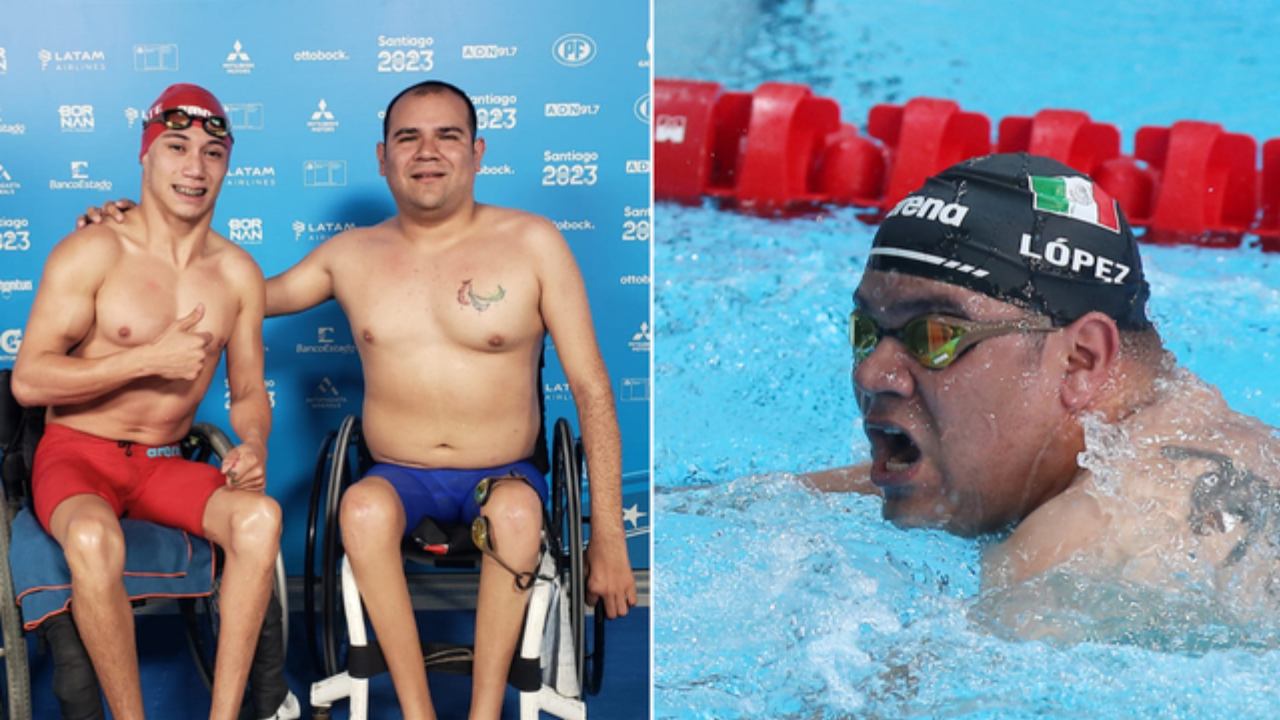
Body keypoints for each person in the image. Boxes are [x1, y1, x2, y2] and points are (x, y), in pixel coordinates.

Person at [268, 80, 636, 718]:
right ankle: (418, 711)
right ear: (383, 157)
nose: (427, 151)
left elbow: (593, 389)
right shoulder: (349, 255)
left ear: (477, 151)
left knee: (519, 517)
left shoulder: (533, 243)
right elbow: (244, 297)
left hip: (504, 476)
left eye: (447, 136)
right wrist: (142, 237)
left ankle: (483, 712)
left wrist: (609, 537)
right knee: (358, 511)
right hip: (397, 475)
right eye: (408, 137)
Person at [809, 153, 1280, 622]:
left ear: (1081, 360)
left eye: (935, 337)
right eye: (866, 332)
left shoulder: (1076, 555)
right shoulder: (1195, 429)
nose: (872, 375)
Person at [11, 83, 282, 719]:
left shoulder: (238, 273)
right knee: (95, 540)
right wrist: (144, 359)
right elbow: (29, 380)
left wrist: (255, 444)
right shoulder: (94, 249)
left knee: (260, 519)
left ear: (228, 164)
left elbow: (246, 390)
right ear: (146, 156)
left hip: (163, 462)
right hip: (79, 456)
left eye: (213, 152)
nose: (195, 167)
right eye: (177, 146)